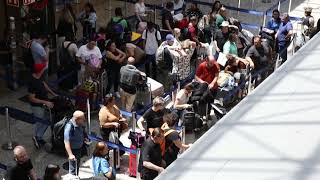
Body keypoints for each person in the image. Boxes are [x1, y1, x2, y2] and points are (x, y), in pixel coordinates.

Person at [28, 63, 56, 149]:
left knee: (46, 120)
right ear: (40, 71)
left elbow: (44, 84)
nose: (44, 69)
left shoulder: (39, 76)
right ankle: (37, 137)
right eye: (43, 68)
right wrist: (45, 102)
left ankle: (38, 137)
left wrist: (52, 93)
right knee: (40, 122)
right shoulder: (32, 82)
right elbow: (31, 98)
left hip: (43, 103)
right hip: (37, 106)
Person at [64, 110, 88, 175]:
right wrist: (70, 154)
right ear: (77, 119)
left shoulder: (79, 123)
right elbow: (66, 142)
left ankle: (76, 176)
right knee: (73, 168)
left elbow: (81, 131)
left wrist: (85, 138)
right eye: (83, 119)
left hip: (79, 148)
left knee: (77, 165)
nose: (84, 120)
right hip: (73, 150)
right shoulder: (69, 127)